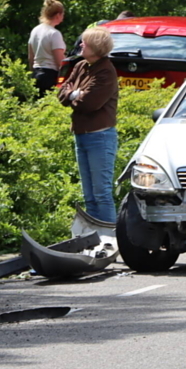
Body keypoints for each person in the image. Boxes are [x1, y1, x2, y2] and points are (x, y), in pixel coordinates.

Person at [58, 27, 120, 224]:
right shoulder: (80, 66)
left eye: (85, 42)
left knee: (102, 194)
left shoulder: (106, 72)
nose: (81, 45)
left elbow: (89, 103)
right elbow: (62, 92)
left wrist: (73, 95)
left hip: (100, 137)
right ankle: (94, 238)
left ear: (96, 46)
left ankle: (110, 238)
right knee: (89, 196)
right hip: (81, 135)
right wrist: (74, 94)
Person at [28, 0, 67, 97]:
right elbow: (60, 61)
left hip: (36, 74)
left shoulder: (35, 30)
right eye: (63, 14)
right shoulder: (54, 34)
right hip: (49, 76)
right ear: (58, 15)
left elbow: (31, 57)